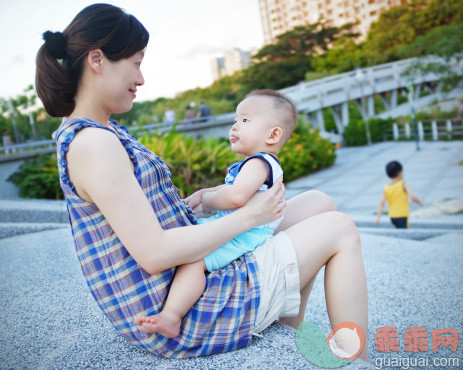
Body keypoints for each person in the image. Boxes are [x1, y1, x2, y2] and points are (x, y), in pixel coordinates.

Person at [36, 3, 369, 362]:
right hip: (186, 312)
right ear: (97, 60)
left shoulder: (104, 133)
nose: (142, 78)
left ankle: (285, 322)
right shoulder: (93, 144)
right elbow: (155, 253)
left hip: (191, 282)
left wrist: (206, 201)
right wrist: (246, 218)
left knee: (319, 203)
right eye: (136, 62)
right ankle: (357, 362)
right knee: (340, 228)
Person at [135, 89, 294, 338]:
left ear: (273, 134)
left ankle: (171, 316)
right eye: (235, 120)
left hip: (246, 235)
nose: (235, 127)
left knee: (194, 261)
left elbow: (236, 196)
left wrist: (208, 199)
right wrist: (205, 193)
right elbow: (231, 189)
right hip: (247, 228)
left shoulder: (258, 163)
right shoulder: (258, 163)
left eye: (245, 120)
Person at [375, 160, 424, 228]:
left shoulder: (386, 188)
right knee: (404, 233)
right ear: (400, 173)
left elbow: (382, 203)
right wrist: (420, 203)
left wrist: (378, 217)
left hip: (392, 216)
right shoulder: (403, 184)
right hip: (402, 215)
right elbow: (412, 197)